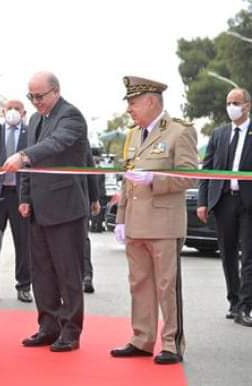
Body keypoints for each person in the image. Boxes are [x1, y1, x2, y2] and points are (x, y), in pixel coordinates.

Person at [110, 76, 198, 365]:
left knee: (166, 286)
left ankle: (172, 343)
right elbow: (127, 181)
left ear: (150, 101)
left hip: (164, 224)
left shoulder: (179, 132)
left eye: (133, 103)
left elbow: (189, 176)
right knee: (139, 284)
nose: (129, 110)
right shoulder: (133, 134)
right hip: (136, 223)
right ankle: (142, 338)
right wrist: (121, 218)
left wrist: (155, 179)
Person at [3, 71, 90, 353]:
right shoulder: (36, 118)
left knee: (68, 273)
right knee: (41, 272)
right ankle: (48, 325)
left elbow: (53, 145)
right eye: (32, 97)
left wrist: (24, 156)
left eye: (40, 96)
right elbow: (30, 161)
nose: (36, 102)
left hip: (65, 207)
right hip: (38, 208)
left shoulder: (71, 116)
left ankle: (71, 330)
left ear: (56, 91)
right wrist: (24, 196)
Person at [197, 87, 252, 327]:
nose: (232, 107)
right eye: (229, 102)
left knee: (249, 255)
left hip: (249, 202)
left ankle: (246, 305)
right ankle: (233, 300)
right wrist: (202, 201)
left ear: (247, 106)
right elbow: (207, 169)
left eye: (236, 102)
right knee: (227, 253)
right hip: (224, 201)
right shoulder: (219, 134)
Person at [0, 99, 32, 303]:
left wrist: (28, 196)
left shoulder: (30, 133)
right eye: (9, 109)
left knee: (24, 242)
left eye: (17, 109)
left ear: (24, 113)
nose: (13, 112)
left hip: (20, 195)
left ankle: (24, 286)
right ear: (3, 111)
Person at [83, 152, 101, 294]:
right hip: (80, 198)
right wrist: (94, 198)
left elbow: (90, 169)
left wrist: (94, 198)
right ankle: (86, 275)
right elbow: (91, 169)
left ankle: (85, 276)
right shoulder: (81, 138)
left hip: (78, 199)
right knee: (82, 240)